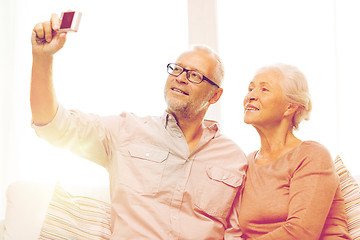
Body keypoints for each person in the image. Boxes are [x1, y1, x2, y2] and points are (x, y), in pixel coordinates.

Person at [30, 13, 247, 239]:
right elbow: (52, 125)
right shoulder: (125, 131)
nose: (180, 78)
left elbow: (237, 231)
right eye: (177, 69)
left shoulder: (234, 159)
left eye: (194, 75)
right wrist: (42, 58)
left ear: (215, 96)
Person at [236, 63, 351, 239]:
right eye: (250, 89)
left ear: (289, 107)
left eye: (264, 89)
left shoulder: (311, 155)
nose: (251, 95)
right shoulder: (246, 163)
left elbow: (301, 233)